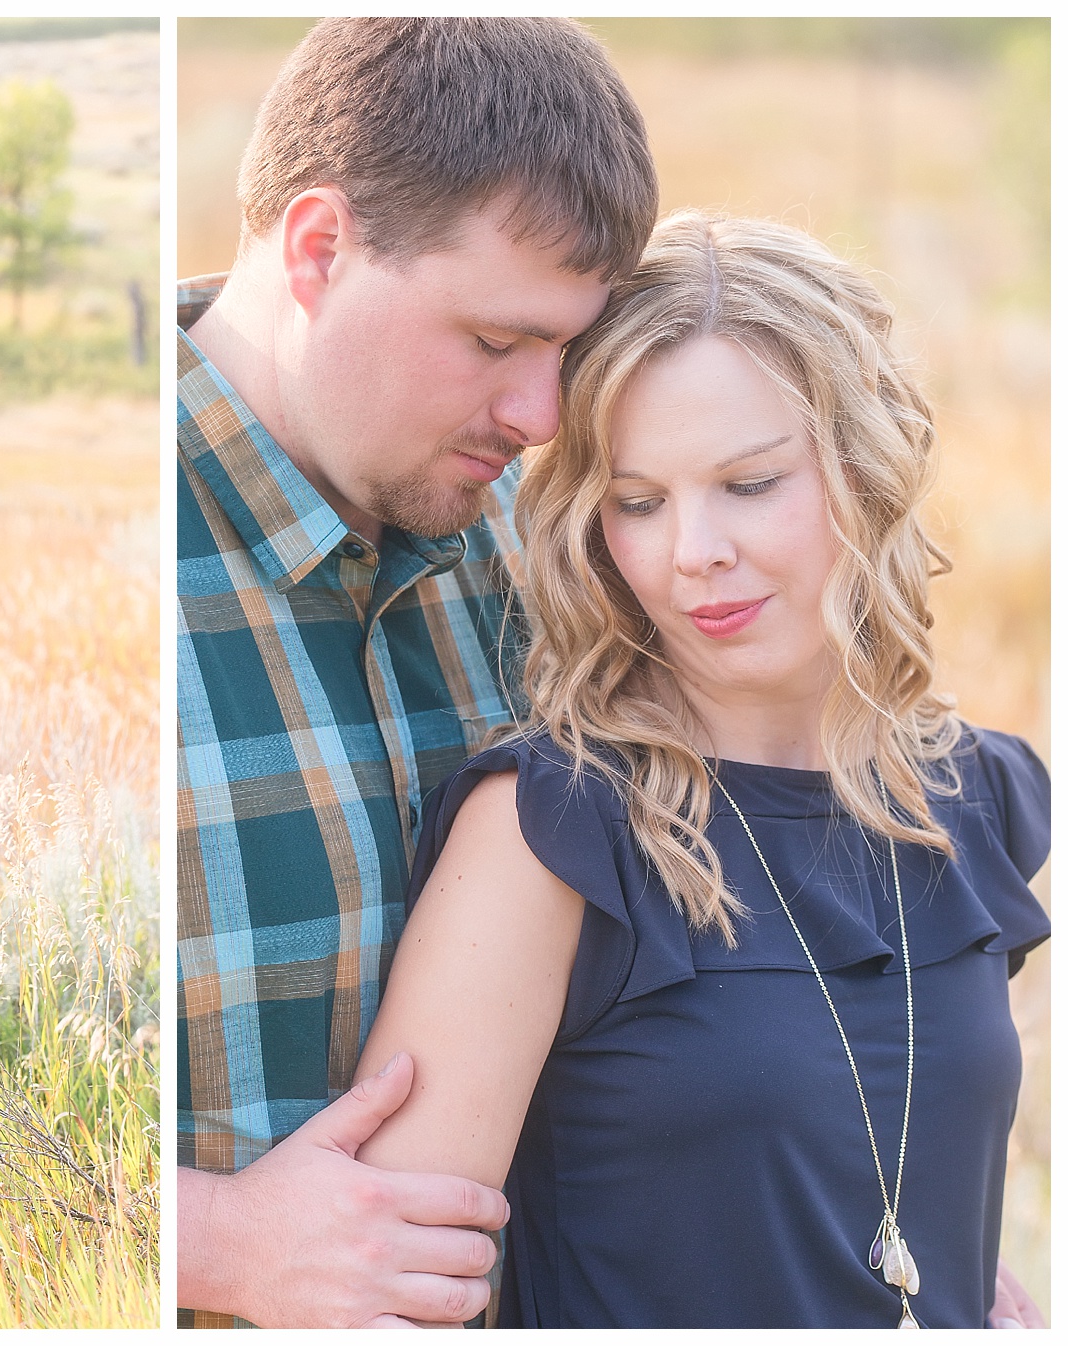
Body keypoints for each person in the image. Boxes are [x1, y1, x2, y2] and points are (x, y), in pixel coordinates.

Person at [355, 212, 1050, 1328]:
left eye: (749, 482)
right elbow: (385, 1292)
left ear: (864, 468)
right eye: (639, 502)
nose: (694, 554)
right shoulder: (550, 829)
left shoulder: (978, 798)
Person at [174, 17, 658, 1328]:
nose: (541, 416)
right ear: (320, 248)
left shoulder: (536, 556)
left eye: (568, 351)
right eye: (496, 342)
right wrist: (208, 1240)